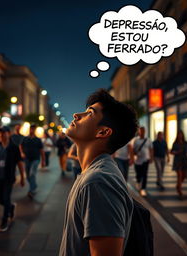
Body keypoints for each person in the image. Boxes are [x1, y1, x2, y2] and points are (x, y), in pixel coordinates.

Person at [59, 89, 138, 256]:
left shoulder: (98, 182)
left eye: (89, 113)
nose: (76, 115)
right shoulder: (93, 174)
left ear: (103, 132)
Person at [0, 126, 25, 232]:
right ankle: (11, 207)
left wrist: (22, 177)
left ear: (8, 133)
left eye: (3, 133)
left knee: (6, 198)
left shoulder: (14, 147)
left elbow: (20, 163)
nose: (1, 135)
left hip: (9, 178)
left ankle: (4, 222)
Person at [20, 124, 45, 199]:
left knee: (32, 174)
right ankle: (34, 186)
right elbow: (20, 146)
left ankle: (31, 190)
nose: (32, 130)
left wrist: (43, 161)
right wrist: (22, 153)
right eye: (31, 129)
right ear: (29, 129)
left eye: (33, 129)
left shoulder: (38, 139)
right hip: (27, 159)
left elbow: (41, 150)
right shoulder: (25, 138)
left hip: (36, 159)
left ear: (35, 130)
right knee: (27, 176)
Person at [171, 130, 187, 198]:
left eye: (181, 134)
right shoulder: (175, 143)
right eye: (179, 134)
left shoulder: (186, 143)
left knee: (184, 176)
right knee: (179, 175)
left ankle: (178, 186)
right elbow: (171, 152)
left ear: (183, 135)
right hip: (177, 161)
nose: (180, 136)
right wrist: (176, 152)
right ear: (177, 135)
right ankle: (180, 191)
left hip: (184, 161)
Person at [133, 126, 153, 197]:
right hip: (138, 160)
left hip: (145, 159)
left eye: (143, 131)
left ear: (145, 132)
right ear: (139, 132)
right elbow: (133, 150)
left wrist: (151, 158)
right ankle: (138, 181)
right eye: (141, 131)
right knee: (138, 173)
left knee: (144, 174)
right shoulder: (136, 140)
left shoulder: (148, 140)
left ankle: (143, 189)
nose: (142, 132)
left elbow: (151, 149)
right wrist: (135, 154)